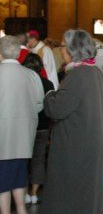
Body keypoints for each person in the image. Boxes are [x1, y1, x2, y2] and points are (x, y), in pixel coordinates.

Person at [41, 29, 103, 214]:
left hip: (77, 152)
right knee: (87, 204)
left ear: (72, 50)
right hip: (88, 148)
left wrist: (49, 94)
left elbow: (57, 109)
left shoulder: (78, 76)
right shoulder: (92, 73)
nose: (60, 49)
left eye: (62, 45)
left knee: (78, 205)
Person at [0, 36, 44, 214]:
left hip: (2, 133)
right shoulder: (31, 75)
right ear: (19, 53)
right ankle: (22, 212)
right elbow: (39, 104)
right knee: (19, 172)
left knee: (2, 179)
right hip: (24, 133)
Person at [22, 53, 55, 205]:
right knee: (39, 160)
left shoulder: (21, 83)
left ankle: (23, 193)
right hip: (42, 128)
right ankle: (34, 193)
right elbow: (50, 109)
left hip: (25, 127)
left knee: (23, 160)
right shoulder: (48, 84)